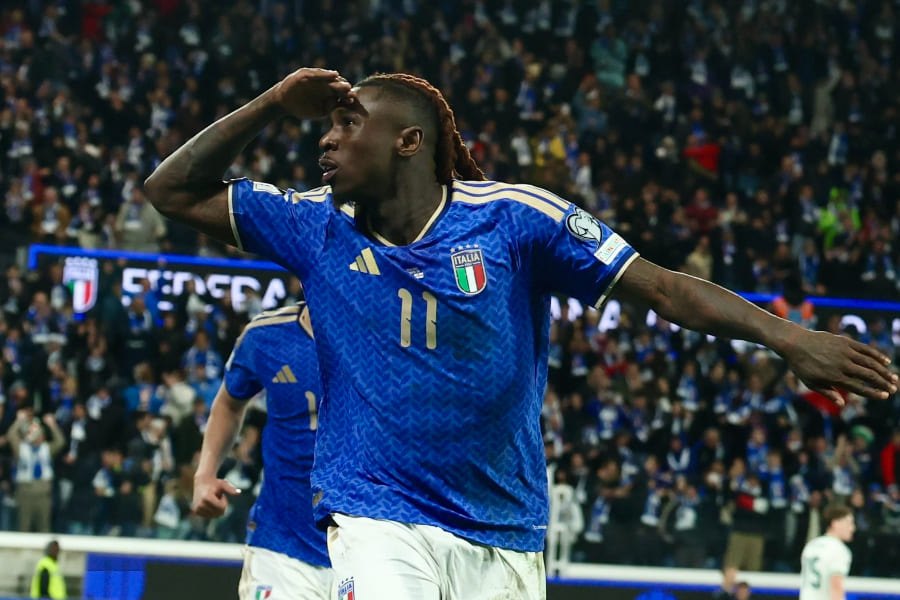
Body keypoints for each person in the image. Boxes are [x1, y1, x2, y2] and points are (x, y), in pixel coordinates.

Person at [145, 68, 897, 599]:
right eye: (327, 126)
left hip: (502, 526)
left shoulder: (514, 220)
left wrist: (789, 338)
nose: (327, 141)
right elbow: (169, 190)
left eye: (348, 124)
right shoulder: (314, 224)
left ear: (408, 141)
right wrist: (275, 102)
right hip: (375, 513)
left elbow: (664, 288)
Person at [191, 303, 331, 600]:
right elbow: (229, 403)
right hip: (280, 547)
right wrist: (204, 474)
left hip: (367, 544)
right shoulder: (266, 335)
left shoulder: (385, 333)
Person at [800, 505, 855, 600]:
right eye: (849, 523)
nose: (852, 528)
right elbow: (836, 586)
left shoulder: (811, 545)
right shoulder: (839, 549)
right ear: (835, 523)